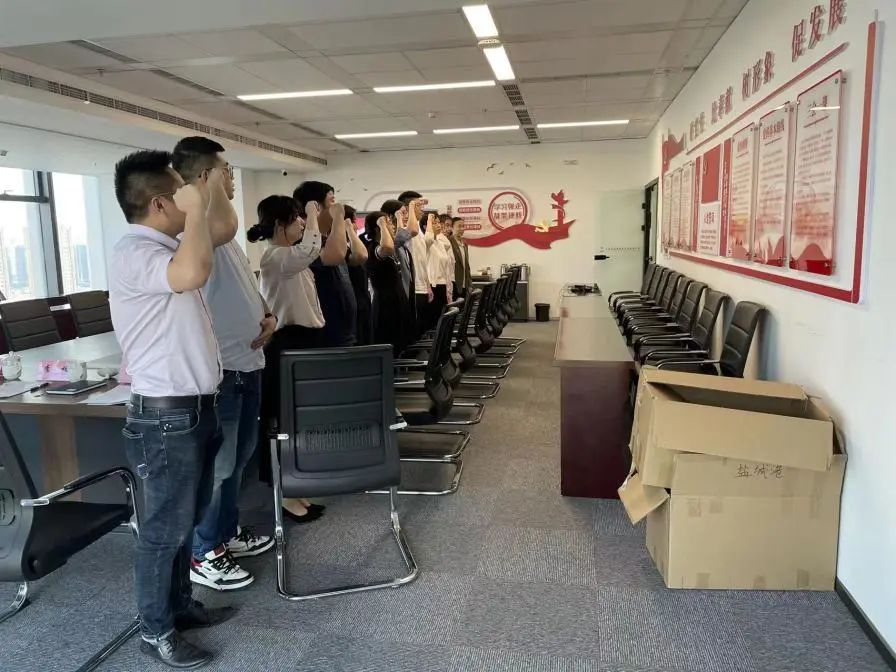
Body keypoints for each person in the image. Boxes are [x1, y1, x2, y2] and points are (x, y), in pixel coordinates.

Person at [109, 150, 232, 669]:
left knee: (185, 521)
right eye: (181, 191)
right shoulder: (135, 251)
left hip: (192, 411)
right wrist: (198, 207)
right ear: (161, 203)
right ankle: (155, 631)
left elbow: (219, 232)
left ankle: (179, 606)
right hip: (164, 418)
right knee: (162, 531)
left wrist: (211, 189)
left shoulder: (168, 246)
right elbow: (195, 272)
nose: (190, 198)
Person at [171, 137, 275, 594]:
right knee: (222, 464)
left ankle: (225, 532)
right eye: (226, 171)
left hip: (248, 361)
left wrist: (266, 315)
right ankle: (204, 551)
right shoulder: (194, 232)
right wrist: (208, 189)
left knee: (240, 459)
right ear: (205, 176)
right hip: (223, 371)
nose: (233, 178)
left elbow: (240, 286)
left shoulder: (223, 234)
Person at [249, 195, 328, 524]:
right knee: (283, 423)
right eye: (297, 218)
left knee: (298, 423)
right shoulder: (277, 256)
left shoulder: (287, 257)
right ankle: (284, 494)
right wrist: (312, 209)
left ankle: (294, 488)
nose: (303, 223)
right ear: (281, 223)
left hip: (303, 342)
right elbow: (312, 247)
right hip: (286, 344)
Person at [293, 181, 366, 348]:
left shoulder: (330, 239)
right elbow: (336, 255)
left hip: (345, 331)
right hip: (327, 334)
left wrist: (347, 227)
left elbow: (360, 256)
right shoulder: (305, 242)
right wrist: (339, 217)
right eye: (332, 201)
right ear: (317, 207)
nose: (338, 206)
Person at [364, 208, 410, 355]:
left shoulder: (391, 247)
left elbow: (396, 241)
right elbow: (387, 248)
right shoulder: (373, 248)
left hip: (397, 301)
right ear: (378, 228)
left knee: (400, 344)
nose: (393, 226)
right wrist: (382, 224)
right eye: (389, 223)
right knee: (389, 344)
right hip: (385, 305)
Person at [397, 191, 432, 338]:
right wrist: (410, 207)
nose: (422, 209)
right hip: (413, 288)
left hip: (422, 287)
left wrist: (428, 285)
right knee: (414, 333)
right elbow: (411, 230)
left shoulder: (418, 229)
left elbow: (423, 261)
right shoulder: (405, 226)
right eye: (418, 205)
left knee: (422, 330)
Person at [382, 197, 417, 343]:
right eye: (403, 213)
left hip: (407, 296)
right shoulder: (389, 242)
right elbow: (410, 231)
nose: (406, 216)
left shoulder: (402, 243)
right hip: (395, 301)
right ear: (390, 216)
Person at [343, 205, 373, 345]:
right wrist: (349, 229)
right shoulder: (342, 249)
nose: (355, 226)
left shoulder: (351, 245)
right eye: (353, 221)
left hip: (363, 301)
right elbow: (361, 256)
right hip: (355, 304)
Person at [426, 214, 455, 329]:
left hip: (443, 284)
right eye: (435, 223)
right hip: (434, 285)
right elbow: (428, 239)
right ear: (426, 226)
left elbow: (447, 267)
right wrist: (429, 220)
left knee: (442, 321)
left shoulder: (440, 242)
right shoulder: (426, 242)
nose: (439, 225)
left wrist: (448, 287)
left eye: (439, 223)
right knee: (434, 321)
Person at [447, 216, 472, 299]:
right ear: (452, 228)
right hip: (454, 284)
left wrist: (469, 284)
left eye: (463, 226)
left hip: (464, 285)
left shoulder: (464, 244)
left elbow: (467, 266)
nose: (462, 229)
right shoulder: (448, 242)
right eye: (459, 226)